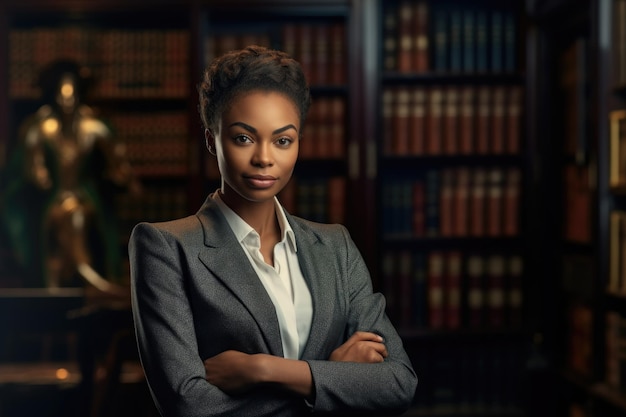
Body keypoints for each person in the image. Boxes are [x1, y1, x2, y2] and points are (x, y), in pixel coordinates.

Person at [129, 45, 417, 417]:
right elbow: (189, 404)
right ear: (210, 140)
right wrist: (334, 377)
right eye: (243, 138)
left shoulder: (334, 246)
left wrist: (263, 370)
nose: (264, 158)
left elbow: (397, 383)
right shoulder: (166, 246)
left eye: (283, 140)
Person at [0, 60, 138, 290]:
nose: (67, 103)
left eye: (72, 96)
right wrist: (38, 174)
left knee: (74, 215)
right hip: (51, 198)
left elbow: (118, 166)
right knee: (66, 216)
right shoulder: (40, 128)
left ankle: (72, 277)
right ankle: (82, 278)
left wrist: (121, 177)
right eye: (61, 96)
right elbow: (31, 169)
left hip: (84, 197)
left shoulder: (94, 128)